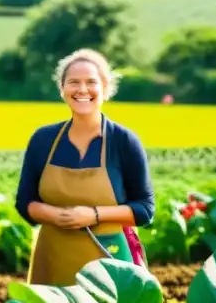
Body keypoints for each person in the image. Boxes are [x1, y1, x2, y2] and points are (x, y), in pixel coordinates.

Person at [15, 48, 154, 286]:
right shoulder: (43, 139)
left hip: (108, 255)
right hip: (53, 258)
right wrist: (57, 216)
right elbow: (25, 202)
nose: (82, 90)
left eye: (91, 82)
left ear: (105, 89)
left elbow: (144, 209)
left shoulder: (123, 141)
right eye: (73, 82)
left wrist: (93, 215)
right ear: (62, 89)